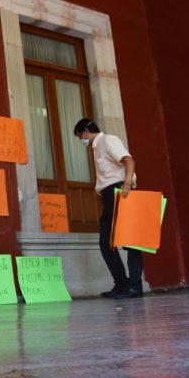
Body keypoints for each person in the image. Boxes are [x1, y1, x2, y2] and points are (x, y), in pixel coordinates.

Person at [73, 118, 143, 299]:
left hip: (120, 191)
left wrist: (127, 183)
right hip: (109, 195)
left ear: (85, 132)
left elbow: (129, 161)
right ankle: (122, 284)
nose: (82, 141)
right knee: (106, 243)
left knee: (130, 241)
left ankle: (135, 286)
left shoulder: (108, 140)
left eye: (80, 137)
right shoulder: (97, 148)